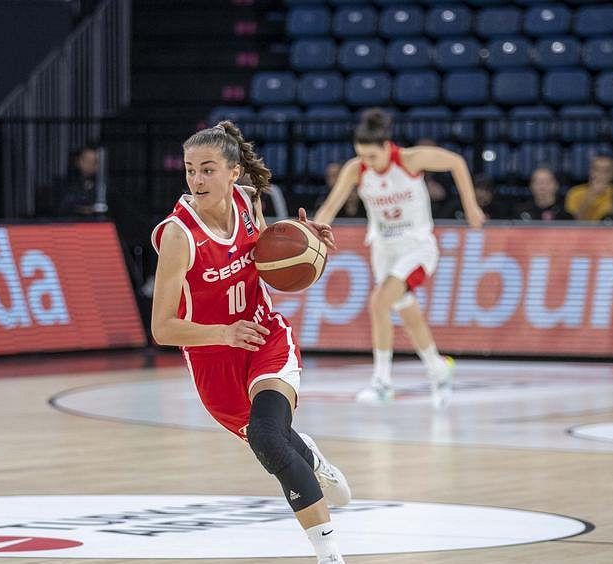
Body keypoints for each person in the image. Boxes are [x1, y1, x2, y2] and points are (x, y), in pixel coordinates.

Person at [151, 121, 350, 564]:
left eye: (207, 170)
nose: (197, 180)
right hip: (213, 360)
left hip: (263, 336)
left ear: (233, 173)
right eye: (189, 171)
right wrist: (223, 333)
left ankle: (329, 555)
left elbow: (262, 253)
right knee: (274, 440)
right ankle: (311, 457)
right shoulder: (178, 236)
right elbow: (162, 328)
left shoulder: (248, 200)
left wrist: (301, 242)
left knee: (267, 436)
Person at [314, 109, 485, 408]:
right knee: (407, 313)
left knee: (379, 302)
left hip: (416, 247)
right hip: (382, 249)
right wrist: (311, 233)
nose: (367, 162)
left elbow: (456, 162)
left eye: (372, 157)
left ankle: (382, 383)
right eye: (362, 156)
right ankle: (436, 366)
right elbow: (330, 207)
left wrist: (470, 206)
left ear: (386, 147)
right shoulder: (356, 170)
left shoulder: (409, 160)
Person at [565, 155, 613, 221]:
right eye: (596, 169)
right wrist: (590, 196)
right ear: (590, 171)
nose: (600, 174)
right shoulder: (574, 193)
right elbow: (573, 223)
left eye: (606, 171)